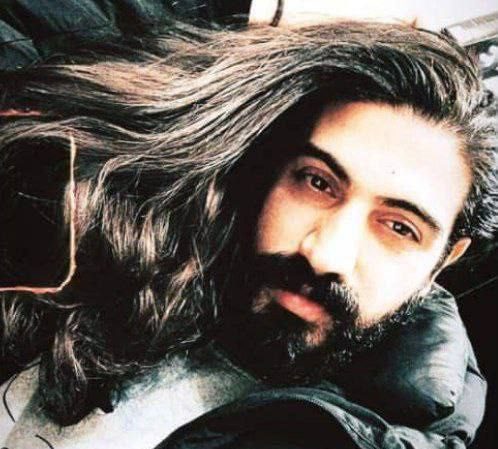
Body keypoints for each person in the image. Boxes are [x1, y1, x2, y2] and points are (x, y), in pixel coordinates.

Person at [0, 6, 496, 449]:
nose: (325, 253)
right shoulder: (122, 240)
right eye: (317, 182)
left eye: (399, 228)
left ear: (443, 261)